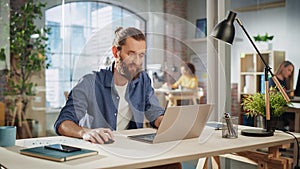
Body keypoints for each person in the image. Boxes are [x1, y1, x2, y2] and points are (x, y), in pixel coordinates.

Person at [54, 27, 181, 169]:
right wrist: (85, 132)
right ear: (116, 52)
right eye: (131, 54)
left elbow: (154, 113)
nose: (137, 61)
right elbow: (63, 123)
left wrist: (169, 123)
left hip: (132, 151)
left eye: (141, 55)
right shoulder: (90, 82)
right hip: (100, 154)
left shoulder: (143, 80)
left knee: (172, 165)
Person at [268, 60, 294, 131]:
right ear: (282, 67)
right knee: (293, 116)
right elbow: (273, 95)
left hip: (284, 106)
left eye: (291, 71)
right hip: (277, 107)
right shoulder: (273, 80)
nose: (290, 73)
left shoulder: (285, 81)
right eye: (289, 70)